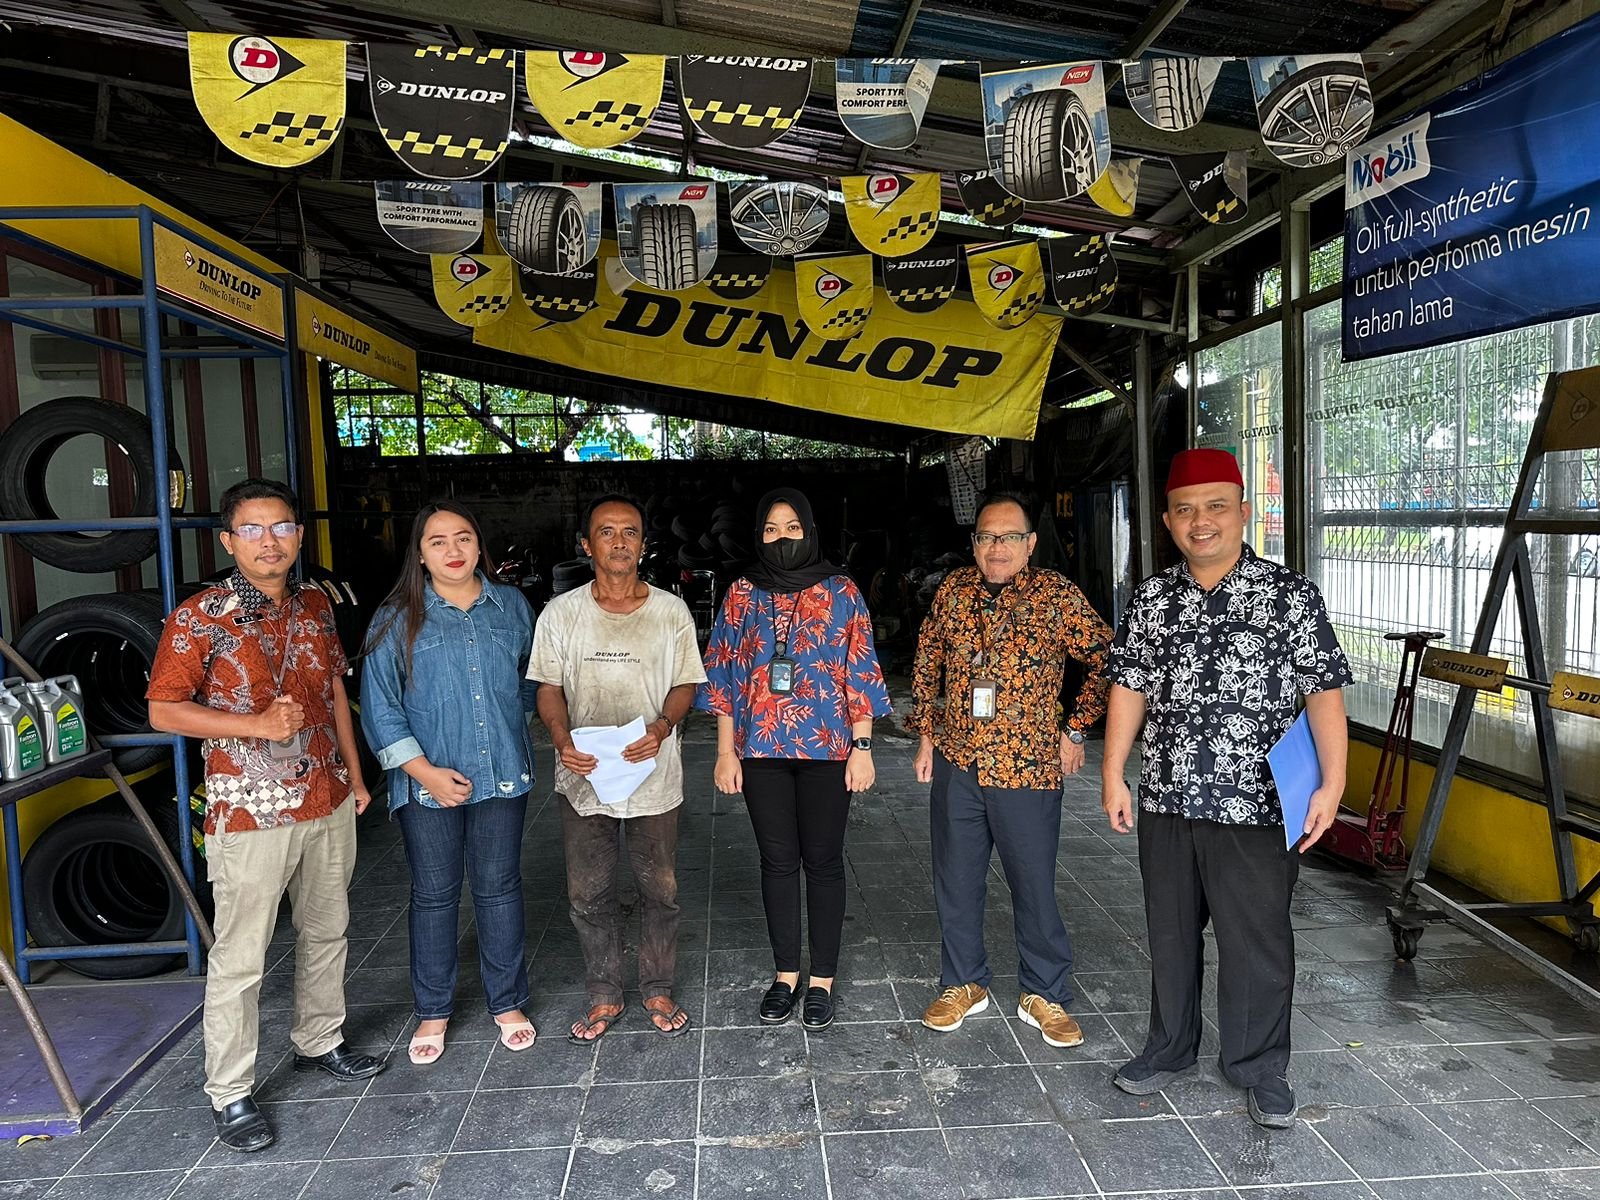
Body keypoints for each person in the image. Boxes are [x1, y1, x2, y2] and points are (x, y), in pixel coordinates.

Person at [1101, 448, 1351, 1129]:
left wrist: (1334, 782)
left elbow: (1323, 691)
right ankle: (1170, 1047)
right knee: (1170, 934)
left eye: (1216, 506)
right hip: (1167, 797)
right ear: (1167, 520)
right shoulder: (1153, 598)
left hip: (1257, 804)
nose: (1200, 522)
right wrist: (1112, 772)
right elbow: (1128, 686)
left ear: (1244, 511)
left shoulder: (1288, 594)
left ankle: (1259, 1066)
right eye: (1185, 510)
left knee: (1257, 941)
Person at [146, 478, 384, 1154]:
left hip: (328, 798)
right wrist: (250, 722)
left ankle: (319, 1041)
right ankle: (230, 1091)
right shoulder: (201, 616)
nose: (269, 541)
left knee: (327, 928)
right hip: (249, 811)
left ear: (299, 536)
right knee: (241, 956)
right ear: (228, 540)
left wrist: (358, 777)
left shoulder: (314, 603)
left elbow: (336, 688)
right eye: (252, 529)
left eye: (280, 527)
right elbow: (162, 710)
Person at [908, 492, 1113, 1049]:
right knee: (956, 880)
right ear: (973, 543)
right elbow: (927, 659)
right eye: (986, 537)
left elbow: (1106, 659)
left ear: (1030, 544)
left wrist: (1076, 728)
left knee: (1033, 885)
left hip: (1027, 766)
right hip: (959, 759)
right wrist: (927, 735)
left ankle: (1044, 992)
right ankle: (962, 983)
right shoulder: (954, 590)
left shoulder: (1055, 595)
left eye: (1008, 537)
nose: (996, 547)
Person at [697, 489, 892, 1030]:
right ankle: (786, 975)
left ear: (809, 528)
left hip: (829, 750)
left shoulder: (842, 591)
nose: (782, 537)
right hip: (760, 749)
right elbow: (725, 675)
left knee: (824, 861)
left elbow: (861, 670)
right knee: (777, 862)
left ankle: (823, 979)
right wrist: (723, 752)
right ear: (758, 536)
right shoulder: (741, 593)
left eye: (792, 527)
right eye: (771, 529)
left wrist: (864, 748)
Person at [359, 501, 539, 1066]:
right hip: (427, 785)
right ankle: (433, 1010)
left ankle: (506, 1003)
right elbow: (379, 707)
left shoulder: (510, 607)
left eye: (463, 538)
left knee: (499, 889)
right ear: (419, 553)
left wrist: (531, 729)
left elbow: (535, 681)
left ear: (480, 546)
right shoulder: (395, 617)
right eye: (438, 541)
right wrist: (425, 774)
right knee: (434, 897)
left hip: (502, 776)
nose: (453, 550)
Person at [528, 494, 707, 1042]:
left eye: (630, 532)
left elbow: (686, 684)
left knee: (661, 888)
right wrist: (560, 739)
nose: (620, 542)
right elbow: (548, 687)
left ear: (644, 545)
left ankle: (656, 984)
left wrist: (660, 728)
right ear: (587, 546)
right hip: (585, 774)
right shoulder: (562, 613)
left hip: (653, 773)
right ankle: (605, 992)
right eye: (607, 532)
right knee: (589, 890)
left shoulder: (671, 611)